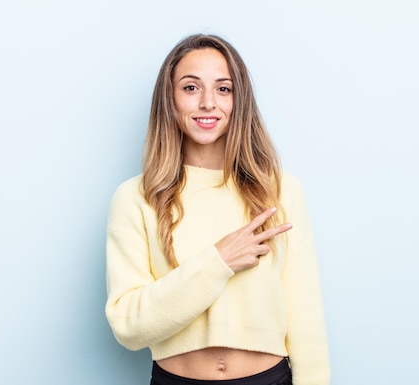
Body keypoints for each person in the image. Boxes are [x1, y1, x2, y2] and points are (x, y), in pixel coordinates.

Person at [105, 34, 330, 385]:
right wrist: (219, 261)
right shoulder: (136, 197)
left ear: (239, 100)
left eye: (223, 89)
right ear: (170, 99)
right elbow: (128, 326)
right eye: (191, 88)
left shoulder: (280, 190)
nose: (208, 102)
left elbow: (306, 318)